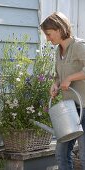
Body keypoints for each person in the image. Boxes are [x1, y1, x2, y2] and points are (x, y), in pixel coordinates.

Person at [40, 12, 85, 170]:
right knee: (61, 153)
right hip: (70, 110)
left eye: (48, 34)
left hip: (84, 108)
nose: (47, 38)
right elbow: (59, 76)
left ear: (59, 29)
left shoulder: (79, 46)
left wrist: (71, 77)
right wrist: (56, 84)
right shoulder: (58, 52)